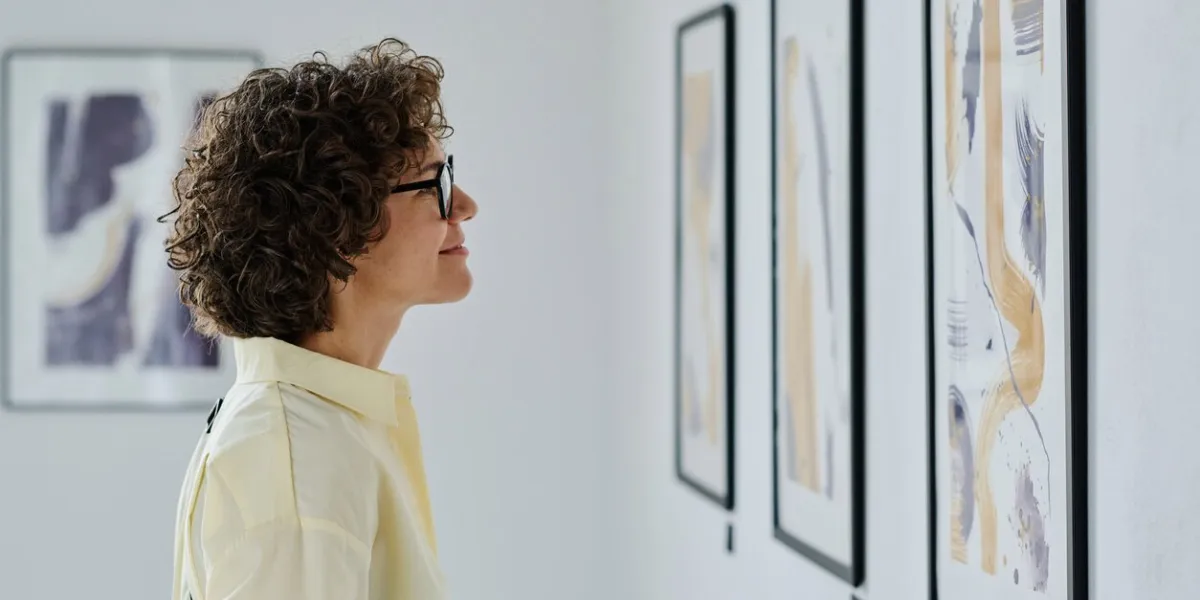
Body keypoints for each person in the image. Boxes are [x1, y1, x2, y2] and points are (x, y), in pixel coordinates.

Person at [164, 38, 478, 600]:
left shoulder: (316, 427)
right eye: (437, 183)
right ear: (337, 227)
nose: (465, 206)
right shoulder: (298, 460)